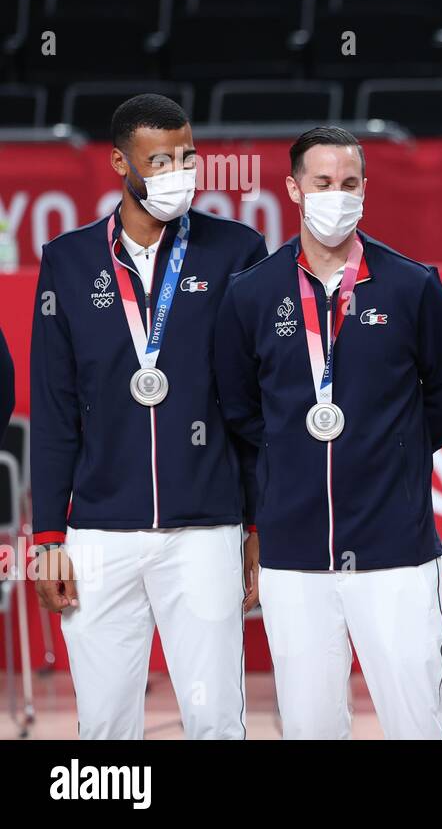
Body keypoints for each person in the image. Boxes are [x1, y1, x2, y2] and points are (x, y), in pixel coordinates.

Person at [214, 127, 442, 739]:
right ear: (294, 188)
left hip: (395, 552)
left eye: (349, 183)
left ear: (365, 189)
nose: (337, 195)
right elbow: (240, 406)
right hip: (293, 555)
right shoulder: (251, 294)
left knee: (416, 723)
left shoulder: (413, 286)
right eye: (323, 183)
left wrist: (392, 451)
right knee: (308, 727)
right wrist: (294, 455)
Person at [30, 94, 266, 739]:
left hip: (205, 528)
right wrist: (48, 539)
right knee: (105, 726)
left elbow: (254, 406)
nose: (178, 173)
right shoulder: (70, 261)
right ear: (119, 163)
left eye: (186, 156)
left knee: (216, 719)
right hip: (100, 532)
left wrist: (254, 522)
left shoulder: (236, 252)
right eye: (159, 160)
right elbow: (52, 411)